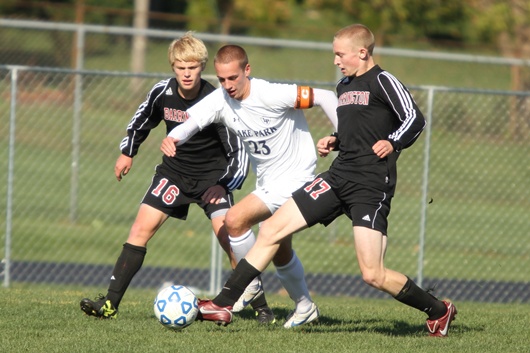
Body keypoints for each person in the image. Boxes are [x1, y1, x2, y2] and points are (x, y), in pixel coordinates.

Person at [193, 24, 458, 337]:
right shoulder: (345, 86)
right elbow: (356, 129)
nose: (336, 61)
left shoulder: (383, 80)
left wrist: (393, 142)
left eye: (339, 54)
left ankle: (439, 310)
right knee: (273, 228)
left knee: (373, 274)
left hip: (370, 185)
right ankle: (223, 303)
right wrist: (334, 139)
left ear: (362, 52)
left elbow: (414, 118)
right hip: (338, 175)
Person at [79, 32, 276, 324]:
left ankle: (261, 308)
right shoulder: (163, 92)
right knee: (139, 230)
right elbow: (141, 121)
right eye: (181, 67)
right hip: (174, 174)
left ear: (202, 67)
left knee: (230, 240)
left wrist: (222, 184)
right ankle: (109, 304)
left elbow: (238, 151)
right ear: (173, 67)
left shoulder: (217, 99)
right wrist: (127, 152)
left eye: (193, 67)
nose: (187, 73)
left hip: (212, 180)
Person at [160, 44, 338, 328]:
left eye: (233, 78)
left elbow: (326, 96)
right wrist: (174, 138)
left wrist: (342, 135)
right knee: (280, 249)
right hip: (268, 181)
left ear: (247, 70)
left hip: (297, 177)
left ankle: (248, 283)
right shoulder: (220, 100)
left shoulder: (272, 94)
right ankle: (304, 306)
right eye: (221, 79)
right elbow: (190, 122)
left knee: (235, 218)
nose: (228, 85)